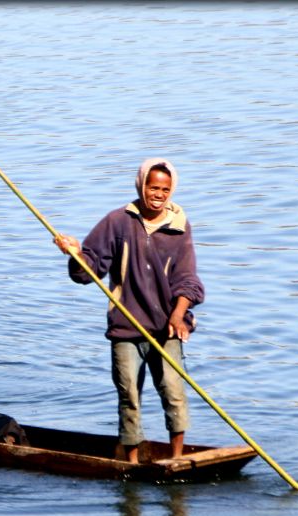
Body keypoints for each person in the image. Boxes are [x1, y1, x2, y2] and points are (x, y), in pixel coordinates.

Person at [54, 158, 204, 462]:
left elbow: (188, 279)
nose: (159, 194)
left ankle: (176, 458)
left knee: (174, 393)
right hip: (127, 327)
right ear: (141, 186)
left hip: (166, 329)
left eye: (165, 189)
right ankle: (132, 462)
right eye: (153, 187)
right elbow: (88, 271)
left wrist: (179, 314)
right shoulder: (118, 221)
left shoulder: (179, 227)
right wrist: (76, 254)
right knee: (129, 397)